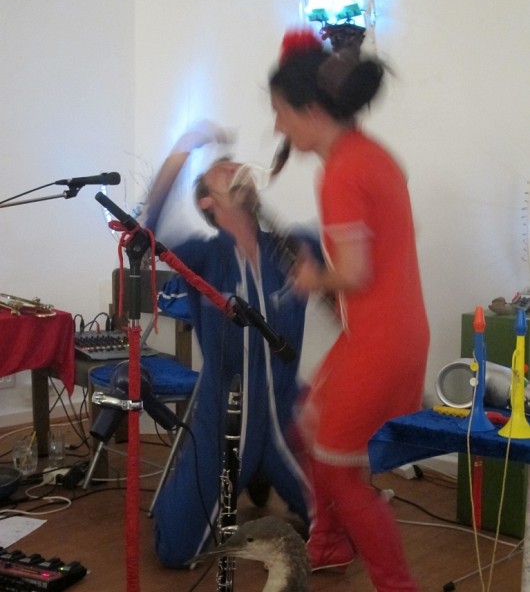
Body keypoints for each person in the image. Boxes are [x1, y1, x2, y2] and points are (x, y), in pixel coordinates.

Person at [267, 30, 430, 591]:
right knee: (310, 421)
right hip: (389, 332)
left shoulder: (340, 170)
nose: (278, 127)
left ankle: (395, 584)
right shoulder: (373, 154)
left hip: (380, 341)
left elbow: (354, 272)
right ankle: (329, 543)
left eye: (281, 112)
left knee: (343, 474)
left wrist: (314, 277)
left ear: (311, 111)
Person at [144, 121, 318, 568]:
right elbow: (149, 228)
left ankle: (266, 472)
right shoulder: (202, 256)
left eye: (238, 166)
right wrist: (185, 147)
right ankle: (248, 474)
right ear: (207, 201)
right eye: (222, 170)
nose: (235, 168)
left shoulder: (293, 247)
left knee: (344, 532)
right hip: (224, 419)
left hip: (285, 419)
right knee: (174, 550)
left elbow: (357, 251)